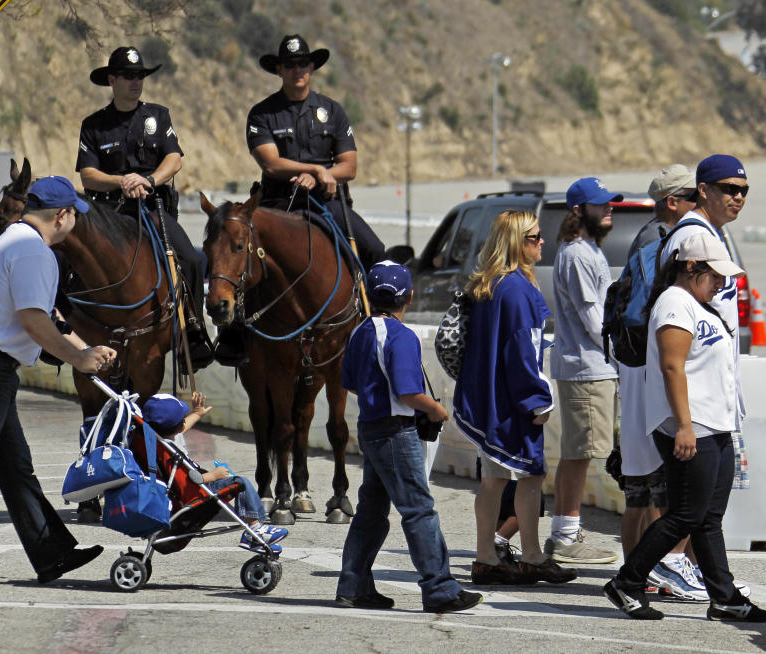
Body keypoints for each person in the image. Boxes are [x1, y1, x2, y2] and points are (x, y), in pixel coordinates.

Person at [0, 176, 116, 588]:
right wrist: (78, 358)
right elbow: (33, 320)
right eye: (73, 217)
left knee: (14, 468)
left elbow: (48, 317)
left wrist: (86, 349)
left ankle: (52, 553)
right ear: (62, 216)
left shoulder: (14, 238)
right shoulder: (34, 252)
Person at [603, 232, 766, 622]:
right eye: (716, 276)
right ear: (690, 268)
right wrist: (684, 426)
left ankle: (724, 598)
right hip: (691, 427)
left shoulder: (698, 302)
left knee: (708, 517)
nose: (722, 284)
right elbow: (672, 367)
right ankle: (627, 581)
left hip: (715, 425)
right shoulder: (675, 304)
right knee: (685, 516)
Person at [223, 34, 387, 367]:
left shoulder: (332, 110)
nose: (297, 70)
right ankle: (237, 333)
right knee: (242, 257)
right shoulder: (262, 114)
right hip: (278, 204)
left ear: (312, 67)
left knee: (375, 250)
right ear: (279, 70)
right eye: (290, 65)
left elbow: (349, 166)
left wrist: (322, 175)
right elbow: (270, 163)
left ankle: (378, 327)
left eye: (303, 64)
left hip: (326, 203)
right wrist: (314, 167)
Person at [336, 261, 481, 613]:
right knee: (419, 510)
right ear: (410, 297)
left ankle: (353, 586)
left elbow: (350, 383)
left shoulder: (359, 332)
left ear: (368, 295)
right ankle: (440, 588)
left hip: (370, 427)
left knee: (371, 510)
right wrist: (434, 409)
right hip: (395, 430)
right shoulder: (401, 336)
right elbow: (407, 392)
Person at [453, 210, 577, 586]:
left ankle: (485, 557)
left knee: (493, 479)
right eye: (533, 237)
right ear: (514, 243)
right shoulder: (519, 290)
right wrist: (538, 399)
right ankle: (534, 556)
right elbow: (524, 350)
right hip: (513, 399)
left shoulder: (488, 284)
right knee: (531, 475)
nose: (542, 242)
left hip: (487, 398)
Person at [76, 46, 212, 370]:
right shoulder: (94, 125)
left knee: (192, 259)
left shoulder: (158, 115)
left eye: (139, 76)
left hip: (152, 209)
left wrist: (149, 180)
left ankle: (192, 333)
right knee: (71, 258)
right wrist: (121, 180)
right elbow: (88, 175)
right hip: (110, 214)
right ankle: (61, 330)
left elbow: (174, 158)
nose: (135, 82)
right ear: (112, 80)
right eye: (128, 76)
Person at [618, 164, 705, 600]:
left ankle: (643, 571)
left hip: (637, 371)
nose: (700, 201)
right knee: (658, 486)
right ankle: (653, 573)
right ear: (673, 201)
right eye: (694, 195)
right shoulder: (660, 243)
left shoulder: (653, 237)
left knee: (642, 486)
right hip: (648, 374)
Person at [546, 177, 621, 565]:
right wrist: (624, 354)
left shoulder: (588, 251)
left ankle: (564, 532)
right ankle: (565, 536)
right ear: (578, 211)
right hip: (586, 368)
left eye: (610, 203)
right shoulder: (577, 254)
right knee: (580, 454)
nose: (609, 209)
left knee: (578, 453)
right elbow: (595, 321)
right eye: (600, 204)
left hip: (590, 367)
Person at [142, 392, 289, 553]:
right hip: (197, 490)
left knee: (236, 481)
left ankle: (255, 530)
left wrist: (197, 413)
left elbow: (182, 427)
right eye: (183, 419)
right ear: (179, 426)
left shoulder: (157, 440)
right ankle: (254, 529)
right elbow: (183, 482)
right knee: (241, 483)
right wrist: (213, 476)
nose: (185, 422)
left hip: (195, 484)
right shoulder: (168, 452)